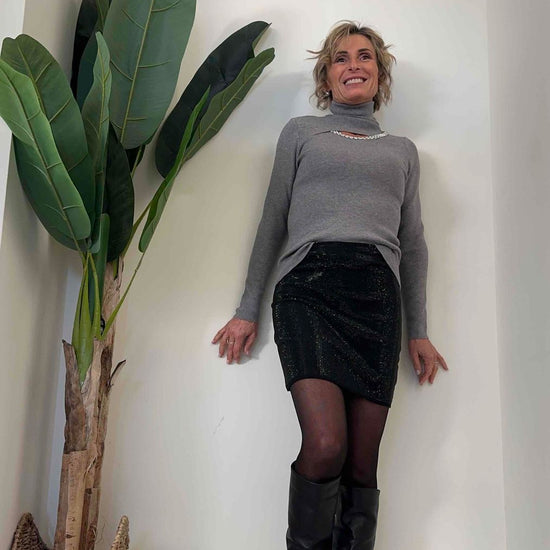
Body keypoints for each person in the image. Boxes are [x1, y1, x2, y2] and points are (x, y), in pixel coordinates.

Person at [212, 20, 449, 550]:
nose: (353, 65)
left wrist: (419, 330)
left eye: (365, 57)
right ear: (326, 76)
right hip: (309, 288)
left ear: (379, 73)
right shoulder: (300, 133)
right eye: (341, 58)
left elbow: (413, 244)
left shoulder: (403, 151)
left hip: (377, 299)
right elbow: (272, 221)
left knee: (363, 466)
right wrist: (247, 309)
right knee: (325, 446)